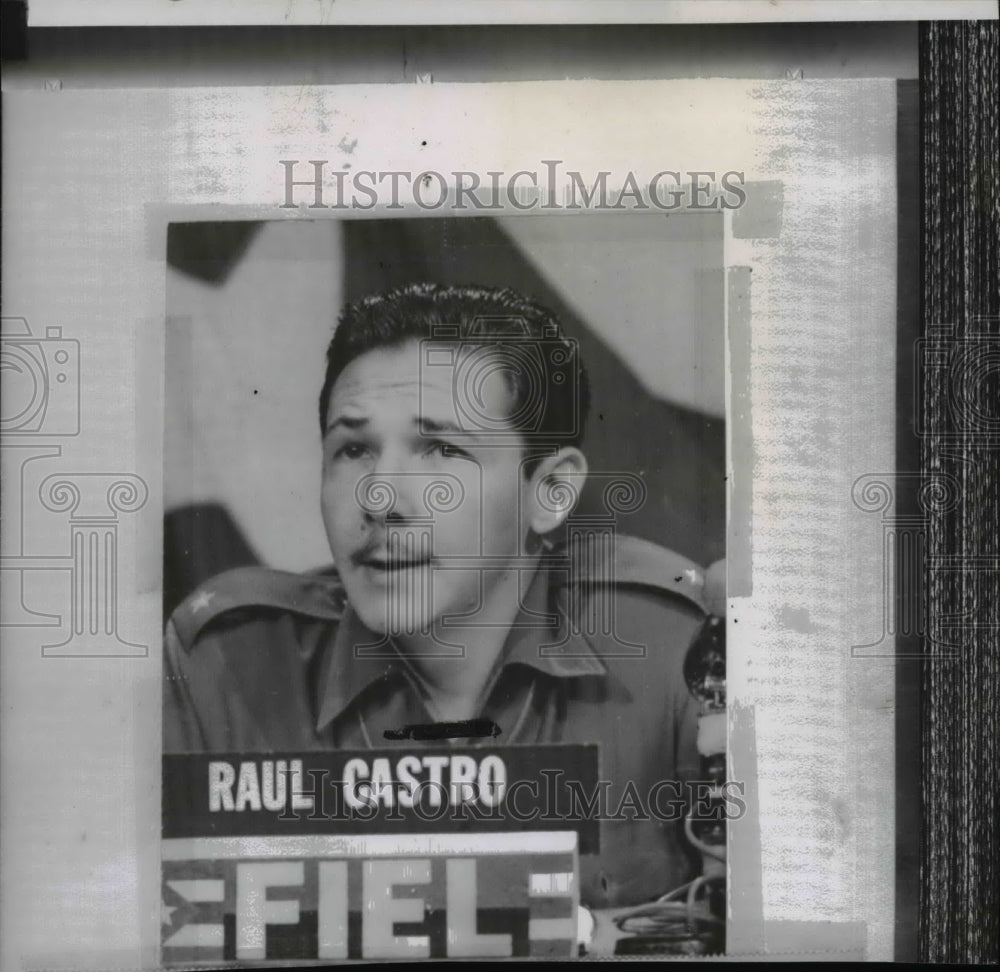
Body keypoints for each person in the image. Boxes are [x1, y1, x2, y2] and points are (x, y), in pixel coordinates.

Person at [163, 282, 712, 910]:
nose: (379, 499)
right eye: (353, 449)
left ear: (550, 491)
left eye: (442, 449)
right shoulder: (224, 666)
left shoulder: (675, 648)